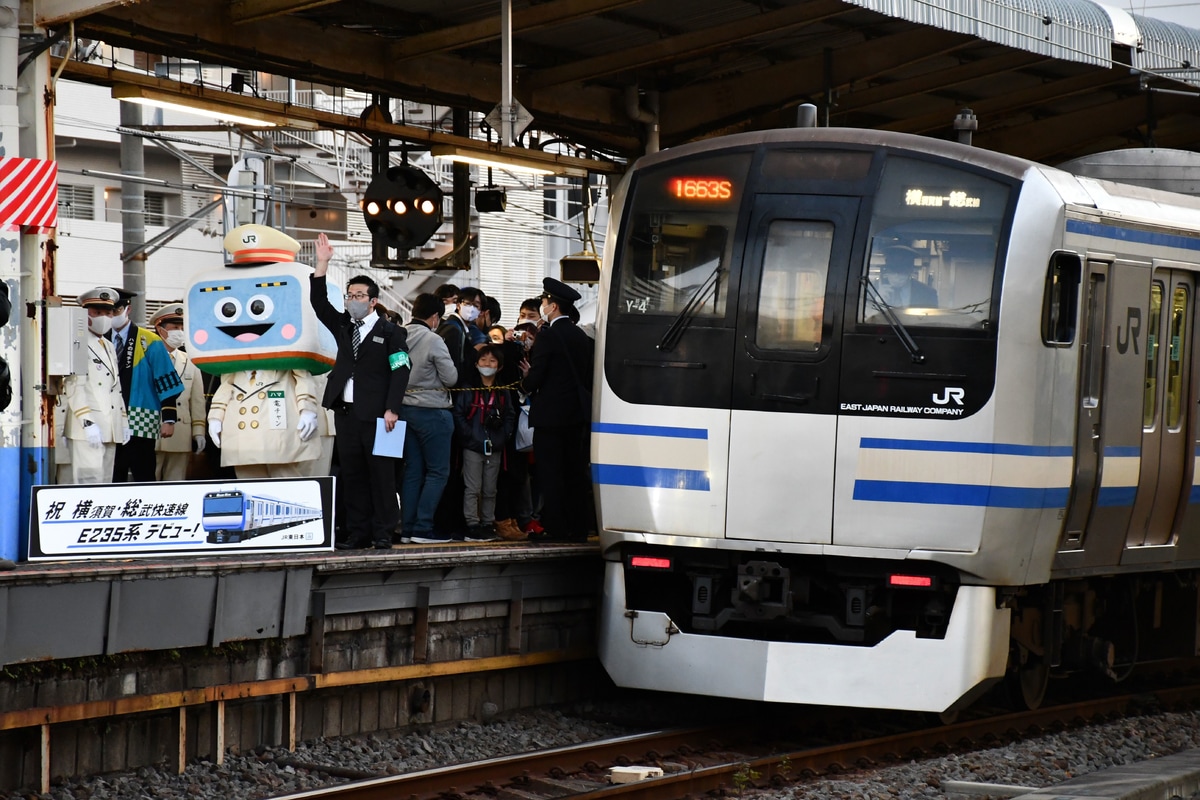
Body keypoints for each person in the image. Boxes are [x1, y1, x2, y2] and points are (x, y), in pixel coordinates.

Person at [310, 233, 411, 550]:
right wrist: (322, 264)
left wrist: (392, 408)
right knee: (352, 475)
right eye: (349, 295)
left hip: (381, 416)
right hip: (347, 413)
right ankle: (358, 532)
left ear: (373, 301)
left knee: (381, 476)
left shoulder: (392, 332)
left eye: (358, 295)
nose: (352, 300)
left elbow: (401, 369)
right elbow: (318, 303)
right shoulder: (343, 326)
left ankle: (383, 532)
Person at [518, 277, 594, 543]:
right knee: (574, 472)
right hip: (576, 414)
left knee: (551, 473)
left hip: (550, 416)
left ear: (553, 306)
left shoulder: (548, 335)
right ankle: (579, 528)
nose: (542, 305)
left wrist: (526, 379)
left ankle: (556, 528)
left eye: (544, 301)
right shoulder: (580, 336)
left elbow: (537, 378)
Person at [399, 292, 459, 544]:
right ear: (435, 317)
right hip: (432, 411)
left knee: (413, 471)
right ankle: (423, 528)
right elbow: (451, 378)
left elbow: (395, 370)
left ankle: (407, 528)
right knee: (437, 472)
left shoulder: (398, 335)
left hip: (403, 409)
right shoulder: (433, 339)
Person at [109, 290, 183, 482]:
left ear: (128, 309)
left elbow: (165, 379)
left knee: (144, 473)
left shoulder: (151, 340)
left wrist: (169, 418)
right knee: (111, 474)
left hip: (141, 416)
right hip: (109, 418)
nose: (113, 315)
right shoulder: (99, 339)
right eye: (110, 311)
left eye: (117, 310)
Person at [62, 287, 129, 484]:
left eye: (108, 313)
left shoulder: (107, 345)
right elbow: (74, 385)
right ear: (86, 313)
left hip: (110, 426)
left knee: (105, 481)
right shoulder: (78, 342)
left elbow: (115, 388)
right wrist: (87, 420)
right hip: (87, 426)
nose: (104, 317)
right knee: (88, 480)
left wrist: (123, 420)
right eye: (97, 312)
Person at [454, 345, 517, 542]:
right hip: (473, 446)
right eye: (483, 360)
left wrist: (504, 436)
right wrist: (470, 437)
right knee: (472, 488)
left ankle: (488, 523)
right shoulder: (468, 388)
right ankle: (472, 523)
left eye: (492, 361)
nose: (487, 364)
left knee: (490, 488)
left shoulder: (501, 390)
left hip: (495, 446)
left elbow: (510, 415)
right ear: (476, 364)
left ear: (499, 367)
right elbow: (459, 414)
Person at [150, 303, 206, 481]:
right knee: (149, 481)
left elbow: (197, 402)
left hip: (181, 432)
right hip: (153, 429)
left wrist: (198, 431)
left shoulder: (190, 361)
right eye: (175, 327)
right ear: (160, 329)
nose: (180, 332)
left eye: (182, 327)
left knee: (176, 482)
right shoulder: (146, 356)